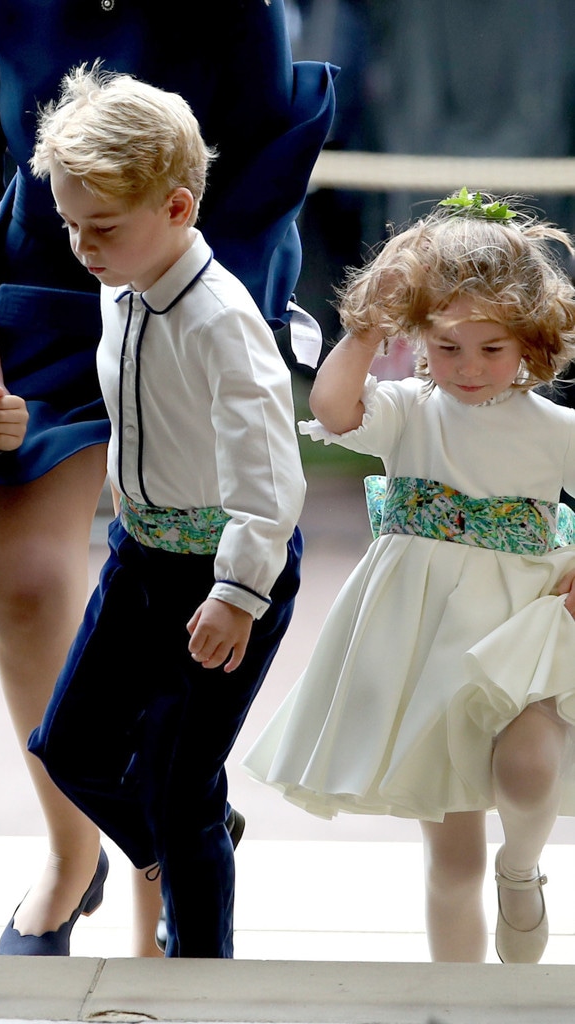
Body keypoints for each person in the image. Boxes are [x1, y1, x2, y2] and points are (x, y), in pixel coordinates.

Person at [0, 0, 335, 957]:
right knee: (31, 581)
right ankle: (76, 858)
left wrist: (180, 328)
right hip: (41, 300)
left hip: (197, 292)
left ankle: (169, 876)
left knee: (173, 586)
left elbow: (257, 181)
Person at [242, 189, 575, 964]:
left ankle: (522, 866)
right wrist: (365, 330)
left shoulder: (555, 431)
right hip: (428, 641)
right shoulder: (409, 411)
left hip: (524, 623)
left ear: (530, 344)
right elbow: (333, 406)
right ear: (421, 338)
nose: (467, 368)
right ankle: (458, 1000)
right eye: (448, 347)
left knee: (529, 768)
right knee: (451, 859)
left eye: (492, 349)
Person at [26, 63, 305, 960]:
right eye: (70, 224)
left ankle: (202, 975)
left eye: (100, 227)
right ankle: (198, 828)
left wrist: (238, 590)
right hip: (140, 554)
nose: (82, 247)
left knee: (175, 793)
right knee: (68, 746)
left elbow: (270, 475)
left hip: (225, 568)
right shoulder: (121, 288)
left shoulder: (223, 323)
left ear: (178, 210)